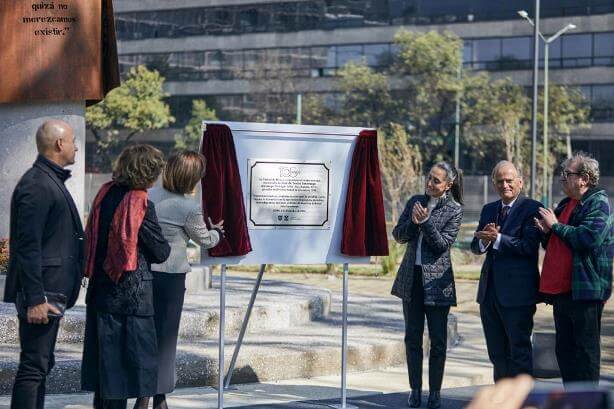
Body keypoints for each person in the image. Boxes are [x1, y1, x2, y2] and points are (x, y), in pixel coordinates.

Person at [80, 144, 171, 409]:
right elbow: (161, 251)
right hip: (132, 299)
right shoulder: (141, 204)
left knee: (106, 371)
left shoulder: (104, 195)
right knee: (134, 369)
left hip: (100, 293)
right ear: (146, 173)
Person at [3, 120, 84, 409]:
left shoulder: (48, 180)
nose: (76, 146)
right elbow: (27, 247)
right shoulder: (37, 185)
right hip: (43, 296)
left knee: (41, 365)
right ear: (59, 144)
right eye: (73, 140)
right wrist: (36, 298)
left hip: (51, 292)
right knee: (34, 367)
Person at [140, 151, 224, 409]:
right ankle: (158, 399)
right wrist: (217, 232)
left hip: (144, 274)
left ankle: (143, 394)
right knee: (166, 339)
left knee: (145, 336)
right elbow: (206, 241)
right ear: (192, 178)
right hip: (171, 277)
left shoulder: (148, 195)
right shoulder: (189, 208)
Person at [535, 152, 613, 385]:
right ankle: (573, 401)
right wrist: (546, 231)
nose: (562, 178)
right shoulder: (566, 204)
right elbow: (555, 242)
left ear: (584, 179)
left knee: (585, 354)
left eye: (567, 174)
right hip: (561, 293)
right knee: (565, 353)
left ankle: (587, 402)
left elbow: (588, 238)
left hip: (585, 291)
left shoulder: (598, 203)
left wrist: (556, 226)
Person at [391, 161, 463, 409]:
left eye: (436, 180)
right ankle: (415, 390)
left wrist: (426, 223)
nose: (430, 184)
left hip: (438, 283)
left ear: (448, 184)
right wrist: (413, 222)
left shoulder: (455, 209)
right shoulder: (415, 201)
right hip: (411, 280)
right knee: (412, 337)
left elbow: (442, 245)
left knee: (438, 340)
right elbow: (399, 235)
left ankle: (435, 392)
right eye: (429, 178)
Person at [471, 161, 541, 382]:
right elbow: (476, 245)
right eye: (500, 181)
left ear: (520, 182)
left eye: (509, 180)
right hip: (489, 294)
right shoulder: (488, 209)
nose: (505, 185)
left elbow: (528, 246)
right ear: (494, 184)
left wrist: (498, 239)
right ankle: (502, 400)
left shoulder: (532, 209)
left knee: (519, 352)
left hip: (518, 296)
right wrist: (485, 242)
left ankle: (522, 401)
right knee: (497, 354)